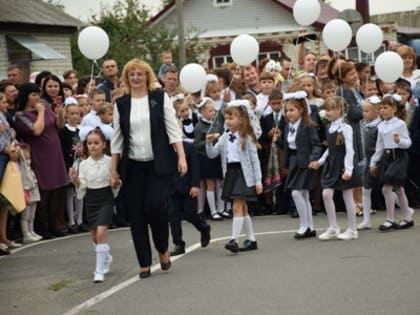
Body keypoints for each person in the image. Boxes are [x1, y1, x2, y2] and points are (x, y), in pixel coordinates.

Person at [110, 58, 187, 279]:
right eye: (131, 74)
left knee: (155, 207)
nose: (136, 78)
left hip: (158, 164)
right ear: (126, 78)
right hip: (132, 166)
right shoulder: (121, 103)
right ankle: (144, 262)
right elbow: (117, 140)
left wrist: (181, 157)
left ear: (147, 76)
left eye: (140, 74)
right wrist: (113, 170)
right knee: (136, 214)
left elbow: (173, 130)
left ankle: (162, 248)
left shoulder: (159, 97)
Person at [206, 101, 263, 252]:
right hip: (231, 173)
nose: (228, 121)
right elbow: (212, 155)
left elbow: (254, 161)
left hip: (244, 174)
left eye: (232, 118)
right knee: (242, 207)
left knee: (237, 206)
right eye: (226, 118)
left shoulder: (247, 137)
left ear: (241, 120)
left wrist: (258, 181)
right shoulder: (225, 137)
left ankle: (234, 240)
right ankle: (251, 239)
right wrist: (209, 143)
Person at [14, 83, 68, 239]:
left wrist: (61, 116)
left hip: (54, 151)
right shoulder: (21, 115)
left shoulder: (44, 108)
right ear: (25, 96)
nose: (37, 98)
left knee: (58, 188)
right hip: (40, 154)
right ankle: (41, 226)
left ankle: (56, 224)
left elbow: (58, 126)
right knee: (44, 190)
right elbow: (36, 130)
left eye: (38, 94)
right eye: (33, 95)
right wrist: (41, 112)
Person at [70, 127, 118, 283]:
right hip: (91, 199)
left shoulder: (110, 161)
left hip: (105, 198)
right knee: (95, 235)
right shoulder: (83, 164)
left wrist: (115, 182)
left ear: (104, 144)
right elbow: (81, 186)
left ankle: (98, 271)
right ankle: (106, 257)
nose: (93, 146)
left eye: (96, 143)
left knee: (101, 232)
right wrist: (75, 179)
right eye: (90, 143)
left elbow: (116, 182)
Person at [311, 96, 361, 241]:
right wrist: (320, 162)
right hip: (331, 164)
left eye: (331, 109)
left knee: (347, 196)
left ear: (339, 110)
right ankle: (333, 227)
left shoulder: (346, 128)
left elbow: (350, 150)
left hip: (343, 164)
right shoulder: (329, 127)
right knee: (326, 194)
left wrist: (348, 169)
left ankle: (352, 229)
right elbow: (330, 149)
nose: (327, 112)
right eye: (326, 109)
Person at [370, 95, 414, 231]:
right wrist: (373, 162)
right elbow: (379, 147)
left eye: (386, 107)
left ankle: (390, 219)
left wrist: (398, 141)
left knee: (386, 188)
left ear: (394, 109)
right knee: (398, 188)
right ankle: (407, 216)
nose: (382, 110)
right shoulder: (381, 126)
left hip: (399, 156)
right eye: (381, 108)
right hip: (388, 157)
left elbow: (408, 143)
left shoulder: (400, 124)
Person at [283, 91, 322, 239]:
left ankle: (304, 225)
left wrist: (313, 159)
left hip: (305, 162)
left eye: (292, 110)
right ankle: (310, 227)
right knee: (304, 194)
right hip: (294, 161)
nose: (288, 113)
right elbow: (289, 145)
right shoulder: (288, 126)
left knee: (297, 193)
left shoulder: (308, 125)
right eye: (287, 110)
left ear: (301, 110)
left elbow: (317, 145)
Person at [168, 139, 211, 256]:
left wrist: (195, 185)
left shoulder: (189, 147)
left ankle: (204, 228)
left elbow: (195, 167)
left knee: (189, 213)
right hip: (171, 188)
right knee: (173, 216)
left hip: (187, 186)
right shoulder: (165, 148)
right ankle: (178, 244)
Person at [194, 97, 226, 220]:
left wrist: (220, 138)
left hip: (217, 156)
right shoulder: (199, 126)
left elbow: (223, 137)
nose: (212, 113)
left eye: (213, 111)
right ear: (202, 112)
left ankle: (221, 209)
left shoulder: (217, 124)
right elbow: (196, 145)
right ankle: (213, 211)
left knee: (220, 183)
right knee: (210, 184)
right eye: (209, 111)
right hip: (205, 158)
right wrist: (207, 141)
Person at [0, 92, 22, 254]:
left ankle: (3, 236)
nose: (6, 105)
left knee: (5, 198)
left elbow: (10, 134)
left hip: (7, 156)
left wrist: (13, 147)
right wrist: (7, 150)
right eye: (3, 102)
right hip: (2, 156)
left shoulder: (4, 116)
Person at [59, 98, 84, 233]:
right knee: (70, 193)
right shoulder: (64, 131)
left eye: (77, 114)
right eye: (72, 113)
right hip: (70, 164)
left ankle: (79, 219)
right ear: (67, 115)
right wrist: (72, 152)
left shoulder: (82, 130)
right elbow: (63, 149)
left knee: (80, 192)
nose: (75, 116)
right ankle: (71, 221)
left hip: (82, 163)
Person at [357, 96, 382, 230]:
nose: (363, 113)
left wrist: (376, 162)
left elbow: (380, 147)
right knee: (365, 189)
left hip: (378, 162)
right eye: (363, 110)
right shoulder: (366, 125)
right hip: (368, 162)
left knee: (387, 189)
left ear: (376, 112)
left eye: (367, 111)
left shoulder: (379, 126)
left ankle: (405, 211)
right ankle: (366, 220)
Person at [19, 143, 42, 243]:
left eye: (29, 157)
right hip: (26, 191)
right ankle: (26, 234)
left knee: (32, 215)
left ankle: (31, 231)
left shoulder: (30, 170)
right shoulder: (21, 170)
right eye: (26, 157)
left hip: (33, 191)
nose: (28, 159)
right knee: (25, 215)